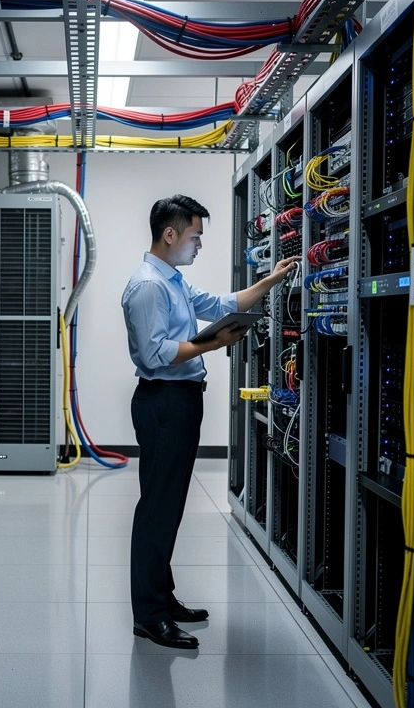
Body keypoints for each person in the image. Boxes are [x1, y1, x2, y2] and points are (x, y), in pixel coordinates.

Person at [120, 194, 298, 649]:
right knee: (158, 508)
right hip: (164, 402)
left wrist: (271, 281)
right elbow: (156, 353)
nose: (199, 244)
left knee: (169, 504)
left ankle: (163, 596)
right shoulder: (148, 287)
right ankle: (150, 615)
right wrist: (215, 344)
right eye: (196, 236)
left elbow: (220, 302)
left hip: (180, 402)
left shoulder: (173, 281)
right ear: (170, 234)